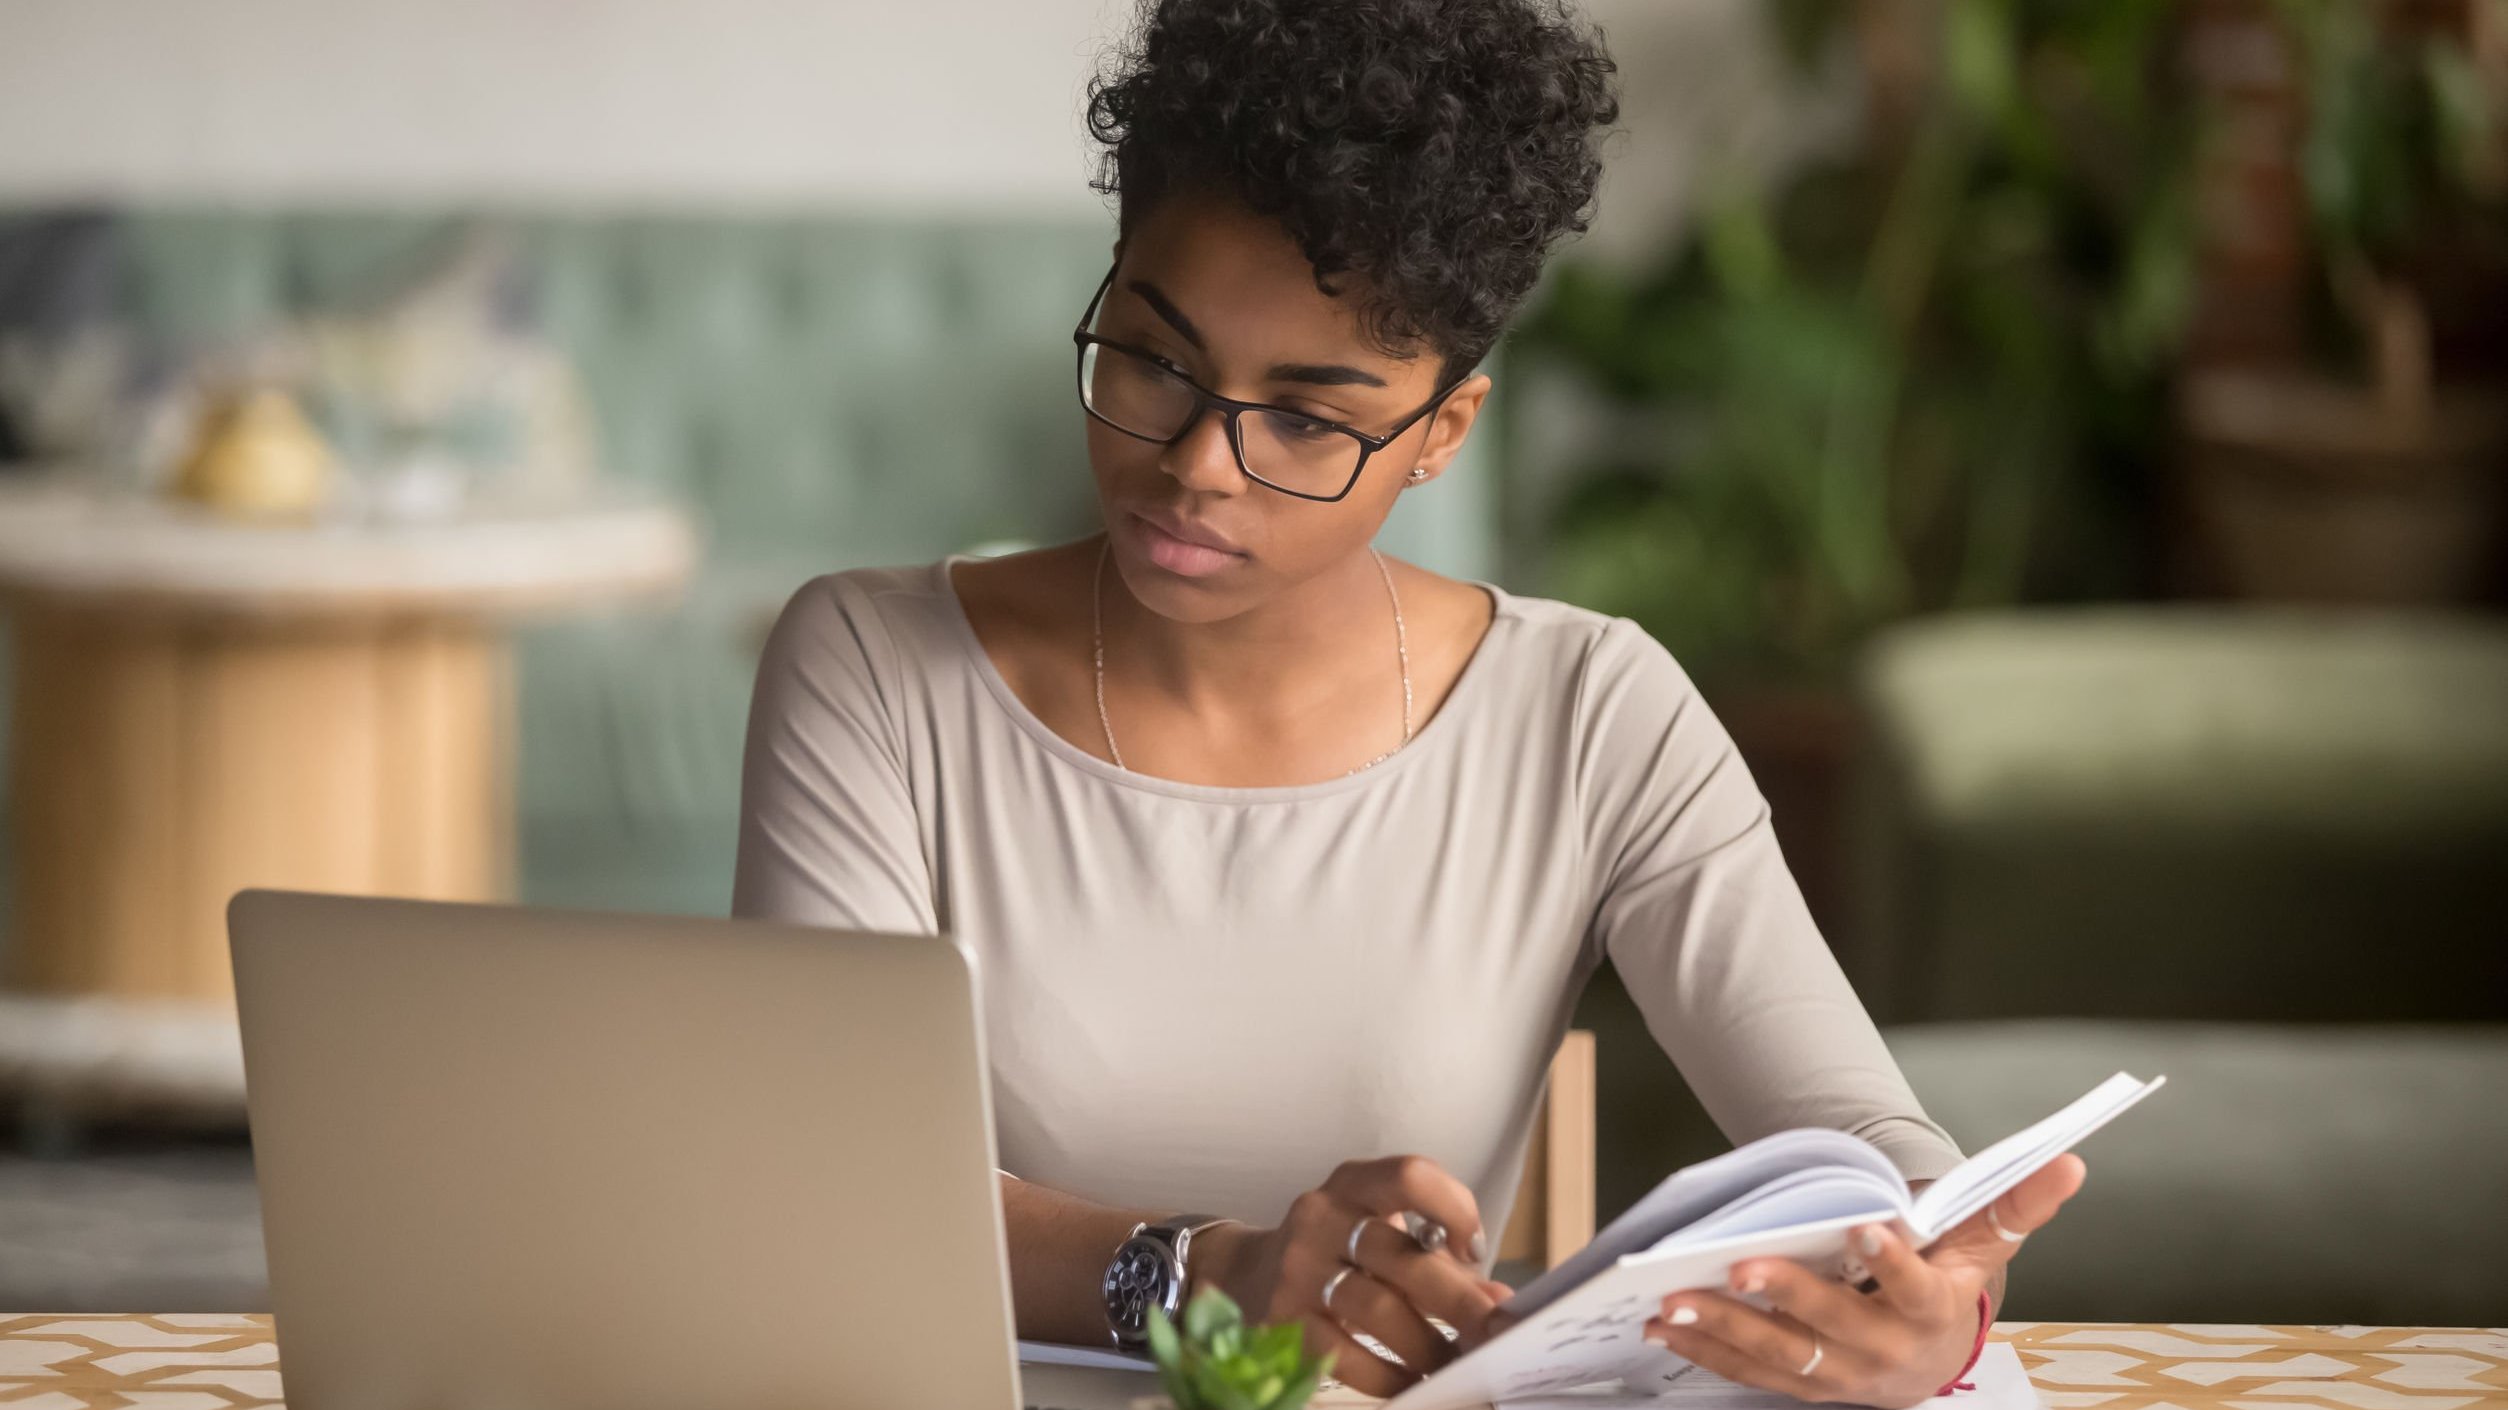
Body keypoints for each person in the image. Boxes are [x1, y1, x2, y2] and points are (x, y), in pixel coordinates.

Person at [732, 0, 2084, 1402]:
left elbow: (1863, 1137)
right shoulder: (874, 667)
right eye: (1152, 358)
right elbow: (822, 1177)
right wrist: (1204, 1278)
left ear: (1443, 432)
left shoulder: (1589, 710)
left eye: (1308, 417)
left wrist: (1939, 1294)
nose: (1199, 462)